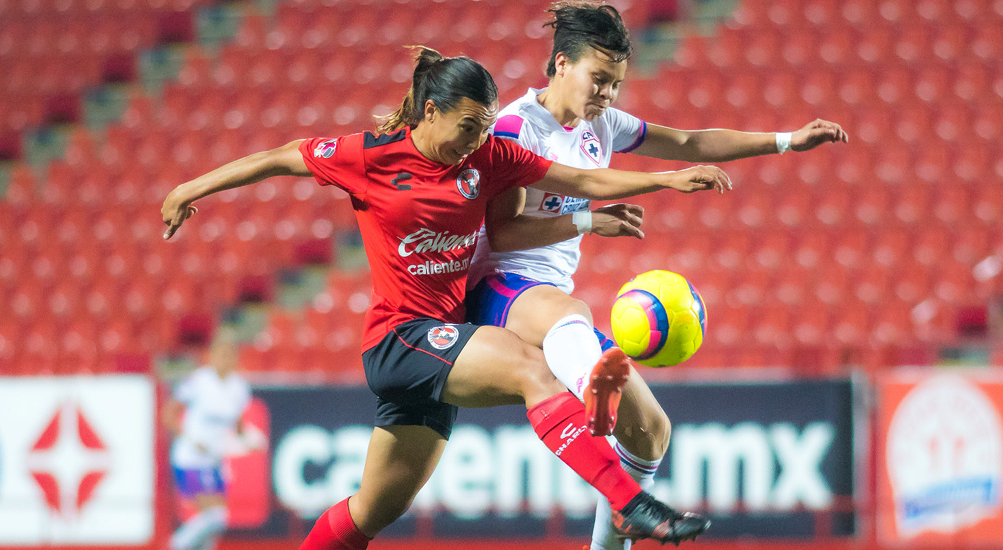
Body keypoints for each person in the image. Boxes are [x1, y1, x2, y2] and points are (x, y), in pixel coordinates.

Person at [161, 47, 733, 549]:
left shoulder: (486, 157)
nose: (477, 140)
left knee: (370, 513)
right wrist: (191, 188)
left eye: (485, 127)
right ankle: (629, 504)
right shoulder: (370, 158)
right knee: (536, 371)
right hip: (399, 339)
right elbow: (281, 156)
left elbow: (578, 180)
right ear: (429, 112)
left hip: (440, 348)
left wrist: (663, 180)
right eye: (467, 126)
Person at [464, 3, 850, 550]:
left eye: (616, 84)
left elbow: (690, 143)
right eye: (598, 79)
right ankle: (588, 400)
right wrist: (586, 220)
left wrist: (786, 140)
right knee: (570, 313)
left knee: (651, 431)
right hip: (496, 290)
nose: (607, 95)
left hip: (546, 302)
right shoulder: (517, 129)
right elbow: (501, 234)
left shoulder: (600, 126)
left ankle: (609, 533)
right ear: (559, 64)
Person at [162, 334, 264, 550]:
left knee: (213, 527)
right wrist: (190, 439)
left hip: (214, 460)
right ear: (212, 356)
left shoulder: (239, 388)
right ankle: (177, 544)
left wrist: (252, 441)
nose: (225, 359)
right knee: (217, 517)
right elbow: (169, 414)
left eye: (230, 354)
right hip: (190, 457)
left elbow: (239, 430)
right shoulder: (199, 381)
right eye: (221, 354)